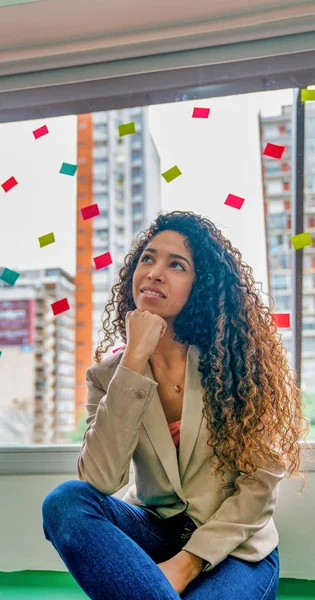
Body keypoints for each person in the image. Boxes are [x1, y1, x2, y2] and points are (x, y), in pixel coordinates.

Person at [42, 210, 311, 600]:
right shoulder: (107, 374)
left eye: (176, 264)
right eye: (147, 259)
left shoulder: (235, 364)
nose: (153, 272)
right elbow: (100, 480)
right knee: (65, 502)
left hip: (233, 548)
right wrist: (133, 360)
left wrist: (187, 563)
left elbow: (260, 485)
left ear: (199, 286)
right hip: (154, 528)